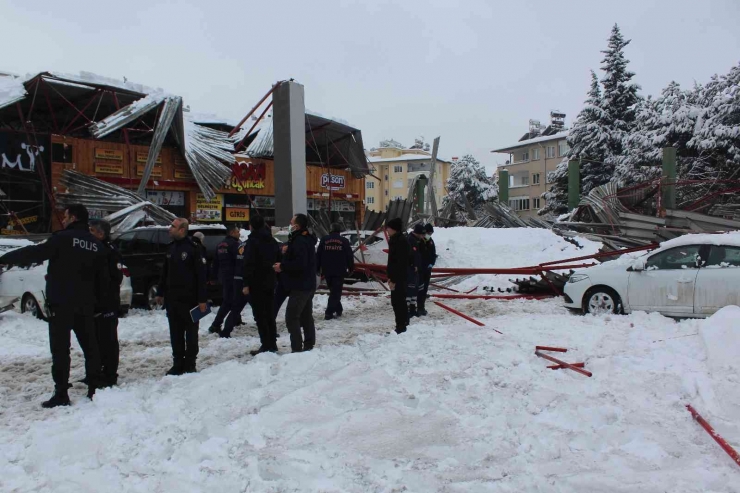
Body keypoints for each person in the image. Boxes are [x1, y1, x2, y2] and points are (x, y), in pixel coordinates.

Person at [0, 204, 109, 407]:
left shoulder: (62, 238)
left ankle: (61, 393)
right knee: (91, 348)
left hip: (62, 303)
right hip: (85, 304)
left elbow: (35, 253)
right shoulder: (97, 245)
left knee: (60, 350)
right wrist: (100, 305)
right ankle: (95, 388)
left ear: (74, 217)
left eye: (66, 216)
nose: (64, 219)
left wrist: (5, 258)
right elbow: (103, 280)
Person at [155, 218, 208, 376]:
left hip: (190, 299)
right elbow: (165, 272)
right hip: (173, 299)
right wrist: (160, 292)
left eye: (173, 226)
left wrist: (202, 300)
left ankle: (190, 364)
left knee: (191, 333)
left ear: (182, 230)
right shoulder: (171, 248)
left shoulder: (193, 248)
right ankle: (177, 363)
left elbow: (201, 276)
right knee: (175, 333)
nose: (169, 229)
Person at [274, 213, 317, 353]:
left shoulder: (299, 241)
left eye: (291, 222)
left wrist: (283, 266)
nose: (289, 224)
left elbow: (300, 263)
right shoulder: (304, 239)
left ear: (296, 226)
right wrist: (288, 250)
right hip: (308, 283)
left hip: (300, 285)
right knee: (305, 315)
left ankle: (297, 348)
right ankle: (309, 343)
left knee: (292, 317)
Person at [89, 219, 124, 386]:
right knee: (96, 340)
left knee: (108, 340)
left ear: (101, 234)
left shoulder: (110, 251)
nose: (89, 234)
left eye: (92, 231)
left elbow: (116, 278)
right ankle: (97, 371)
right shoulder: (94, 250)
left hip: (107, 304)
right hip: (94, 304)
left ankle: (110, 374)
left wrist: (104, 298)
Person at [243, 215, 280, 355]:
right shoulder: (271, 240)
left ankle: (266, 344)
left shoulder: (252, 241)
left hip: (256, 282)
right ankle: (272, 344)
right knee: (269, 313)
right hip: (270, 281)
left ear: (251, 226)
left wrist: (246, 283)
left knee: (260, 315)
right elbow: (278, 258)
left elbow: (248, 264)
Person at [316, 223, 354, 320]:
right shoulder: (344, 241)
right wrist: (351, 267)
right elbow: (349, 255)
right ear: (339, 231)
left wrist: (317, 268)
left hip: (327, 270)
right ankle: (329, 312)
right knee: (335, 292)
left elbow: (318, 255)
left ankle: (338, 309)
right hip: (339, 270)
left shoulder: (324, 240)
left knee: (334, 291)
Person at [208, 224, 241, 334]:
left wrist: (213, 277)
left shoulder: (220, 245)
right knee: (230, 302)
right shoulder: (235, 245)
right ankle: (216, 324)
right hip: (235, 277)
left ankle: (228, 321)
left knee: (230, 300)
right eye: (237, 232)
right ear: (232, 233)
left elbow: (215, 263)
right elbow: (240, 261)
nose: (239, 233)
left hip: (224, 277)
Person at [385, 217, 411, 334]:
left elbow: (400, 262)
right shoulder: (395, 240)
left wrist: (393, 279)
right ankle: (404, 322)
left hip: (399, 278)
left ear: (394, 229)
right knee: (398, 301)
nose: (387, 230)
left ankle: (401, 325)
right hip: (396, 277)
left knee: (398, 302)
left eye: (389, 228)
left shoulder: (400, 241)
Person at [417, 223, 437, 316]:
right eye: (428, 233)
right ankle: (416, 308)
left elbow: (433, 254)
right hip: (419, 269)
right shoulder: (419, 241)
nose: (429, 235)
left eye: (431, 233)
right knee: (419, 289)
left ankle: (422, 307)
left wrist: (431, 263)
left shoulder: (430, 241)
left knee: (424, 289)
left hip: (427, 269)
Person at [406, 224, 425, 318]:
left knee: (414, 290)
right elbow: (410, 255)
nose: (423, 237)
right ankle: (407, 310)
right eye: (422, 234)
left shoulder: (416, 240)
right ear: (418, 233)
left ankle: (413, 309)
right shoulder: (410, 240)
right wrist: (413, 265)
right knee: (410, 289)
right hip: (411, 269)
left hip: (415, 269)